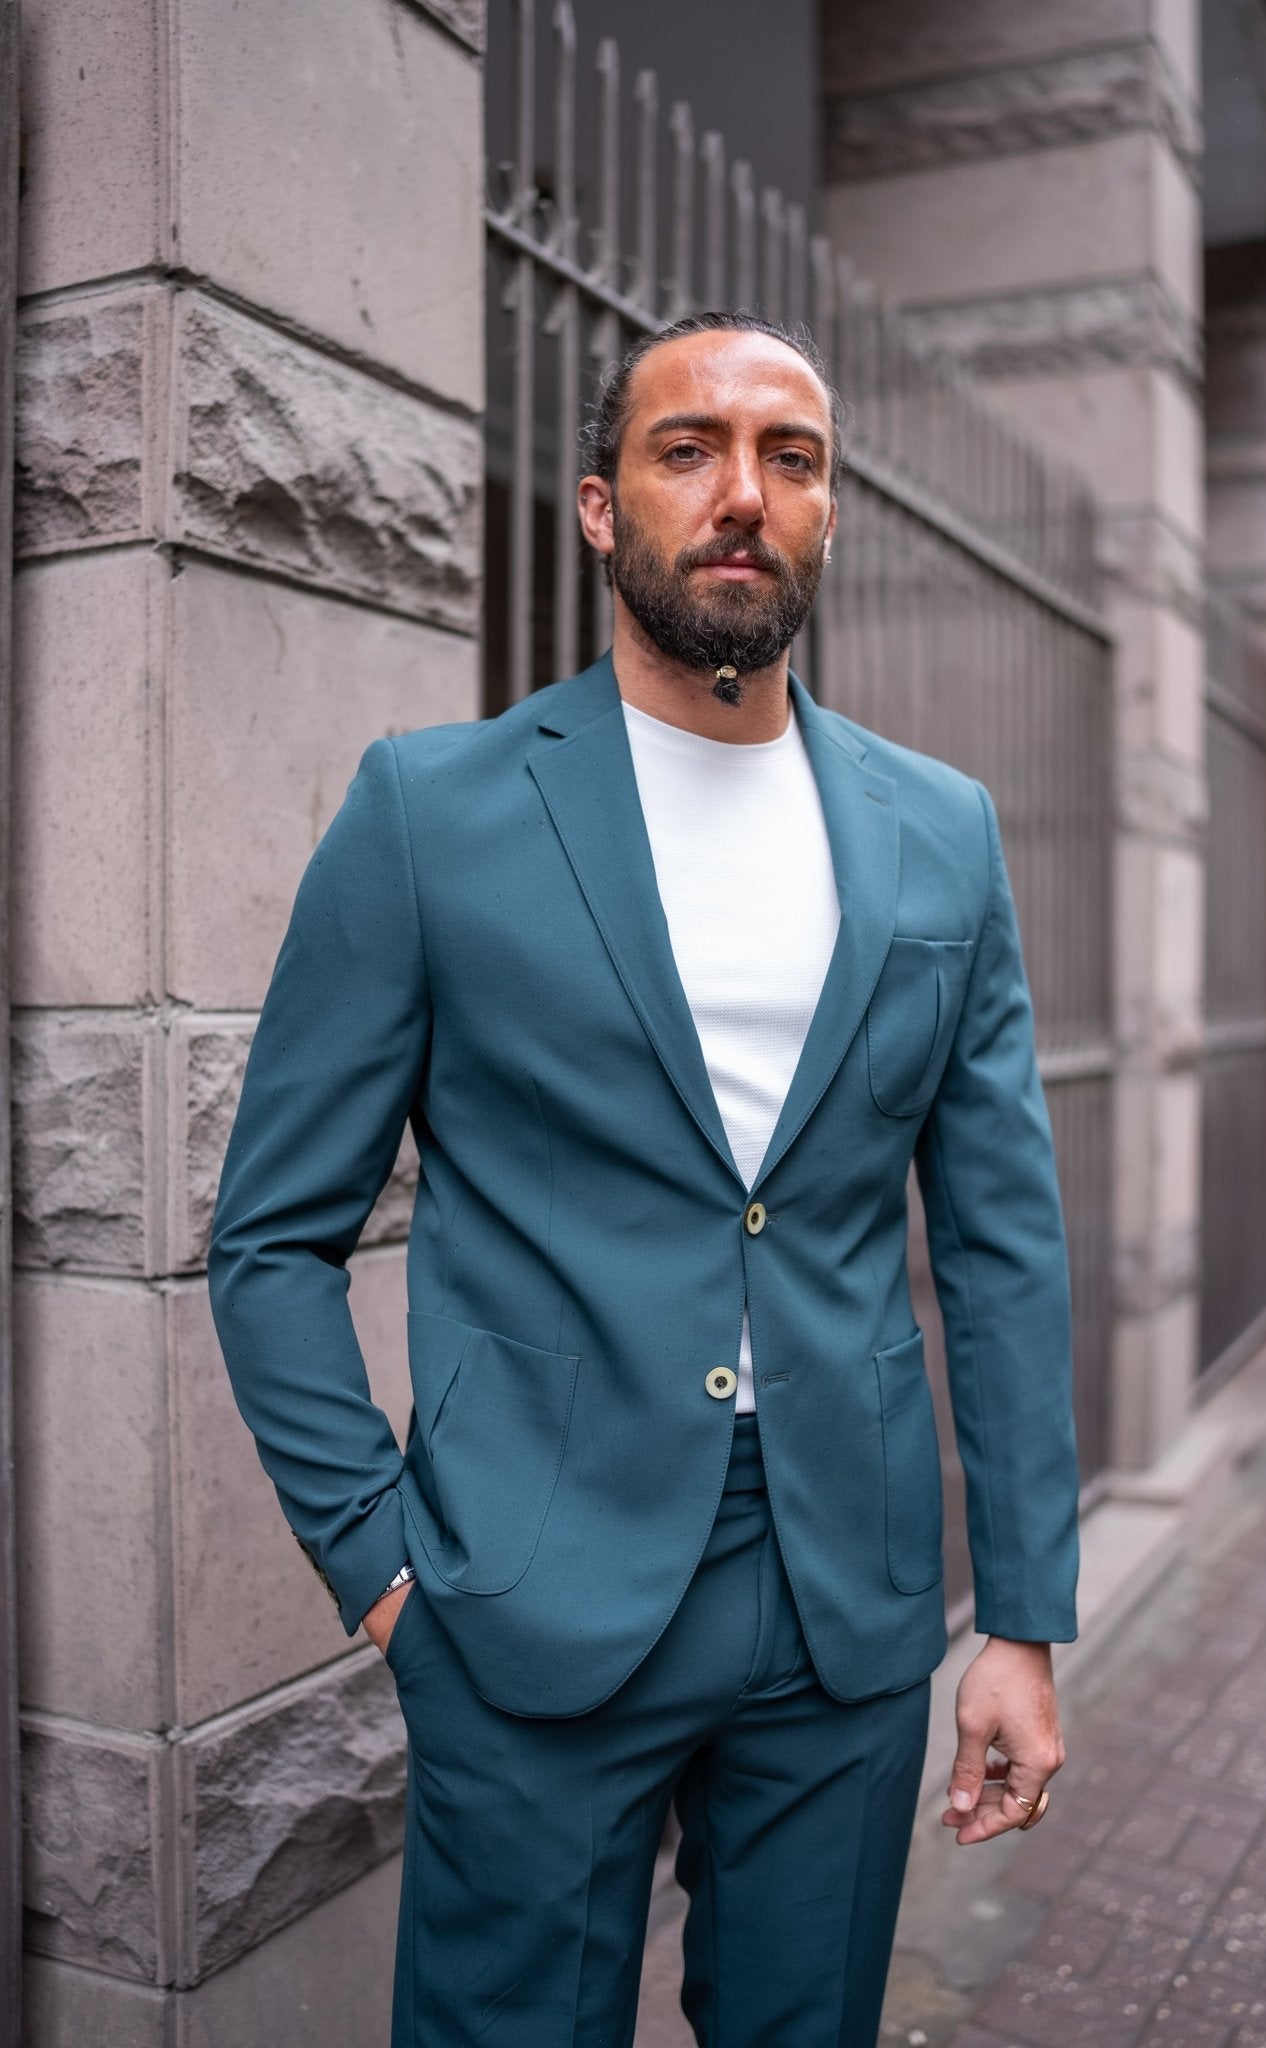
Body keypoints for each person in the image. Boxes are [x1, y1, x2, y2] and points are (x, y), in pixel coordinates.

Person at [208, 310, 1080, 2048]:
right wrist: (385, 1569)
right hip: (525, 1597)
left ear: (830, 513)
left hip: (844, 1606)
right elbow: (270, 1237)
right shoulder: (428, 813)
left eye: (792, 459)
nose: (743, 493)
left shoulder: (942, 832)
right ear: (603, 508)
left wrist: (1027, 1622)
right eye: (691, 451)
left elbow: (999, 1246)